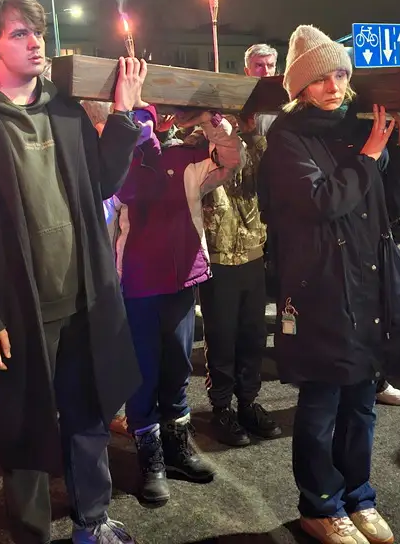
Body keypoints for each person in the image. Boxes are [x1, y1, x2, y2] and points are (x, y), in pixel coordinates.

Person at [0, 0, 145, 544]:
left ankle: (92, 522)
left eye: (38, 32)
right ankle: (31, 535)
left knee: (88, 416)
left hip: (82, 295)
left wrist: (122, 115)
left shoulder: (64, 107)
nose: (36, 43)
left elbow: (101, 184)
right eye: (19, 34)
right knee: (24, 431)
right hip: (17, 306)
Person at [258, 25, 400, 544]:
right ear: (299, 87)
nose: (333, 86)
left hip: (367, 282)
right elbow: (322, 202)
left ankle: (359, 496)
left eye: (339, 74)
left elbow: (387, 206)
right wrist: (370, 156)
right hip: (319, 287)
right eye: (320, 78)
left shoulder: (359, 128)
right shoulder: (287, 138)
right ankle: (320, 505)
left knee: (360, 401)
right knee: (321, 404)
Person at [115, 105, 244, 505]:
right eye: (138, 117)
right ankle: (150, 458)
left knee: (177, 365)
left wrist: (209, 120)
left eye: (150, 116)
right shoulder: (118, 159)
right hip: (136, 281)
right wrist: (135, 143)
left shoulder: (186, 156)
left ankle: (176, 449)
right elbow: (122, 195)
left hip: (180, 278)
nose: (146, 123)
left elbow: (231, 159)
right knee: (141, 371)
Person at [199, 110, 280, 448]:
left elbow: (270, 177)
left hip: (252, 255)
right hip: (218, 259)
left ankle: (247, 402)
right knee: (221, 337)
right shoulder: (197, 145)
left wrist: (253, 133)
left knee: (253, 335)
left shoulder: (253, 147)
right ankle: (221, 408)